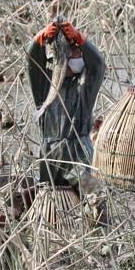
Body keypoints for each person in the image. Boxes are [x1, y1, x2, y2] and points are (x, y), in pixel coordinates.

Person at [27, 19, 105, 190]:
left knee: (92, 197)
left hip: (78, 153)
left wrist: (81, 40)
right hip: (51, 153)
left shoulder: (85, 87)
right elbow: (32, 63)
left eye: (79, 53)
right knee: (51, 201)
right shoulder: (45, 85)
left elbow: (98, 64)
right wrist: (38, 40)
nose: (78, 56)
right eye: (75, 52)